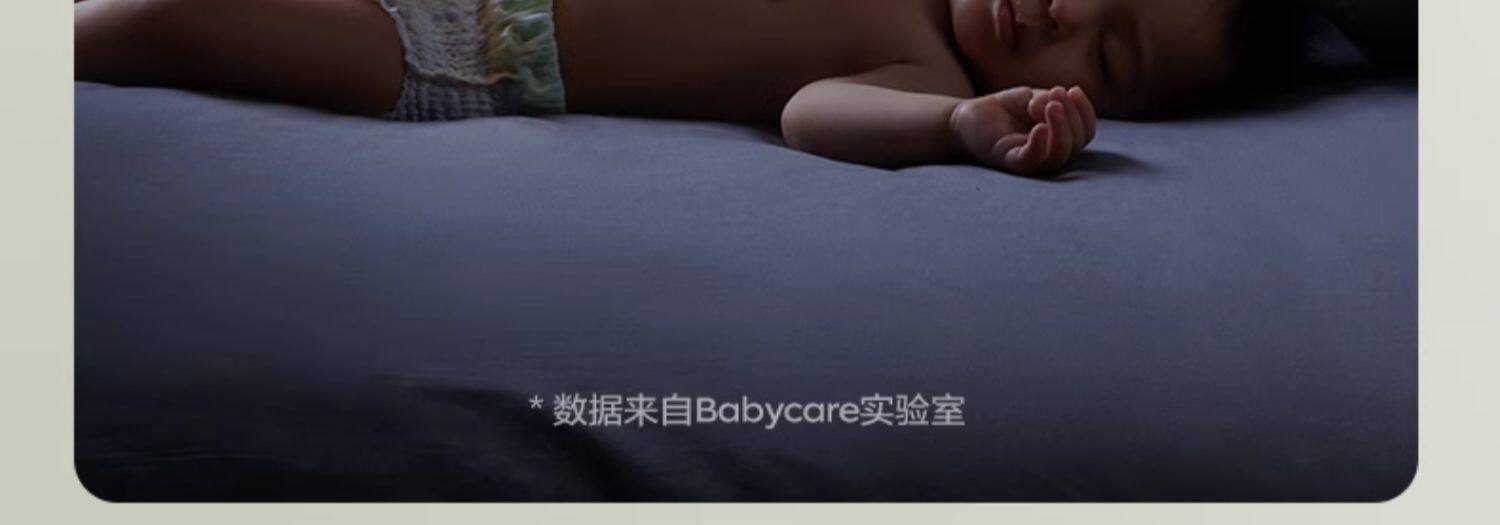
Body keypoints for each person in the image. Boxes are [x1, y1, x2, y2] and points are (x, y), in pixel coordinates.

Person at [74, 0, 1310, 176]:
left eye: (1109, 55)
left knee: (159, 21)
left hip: (462, 44)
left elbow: (810, 114)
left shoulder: (924, 67)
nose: (1066, 12)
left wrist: (953, 126)